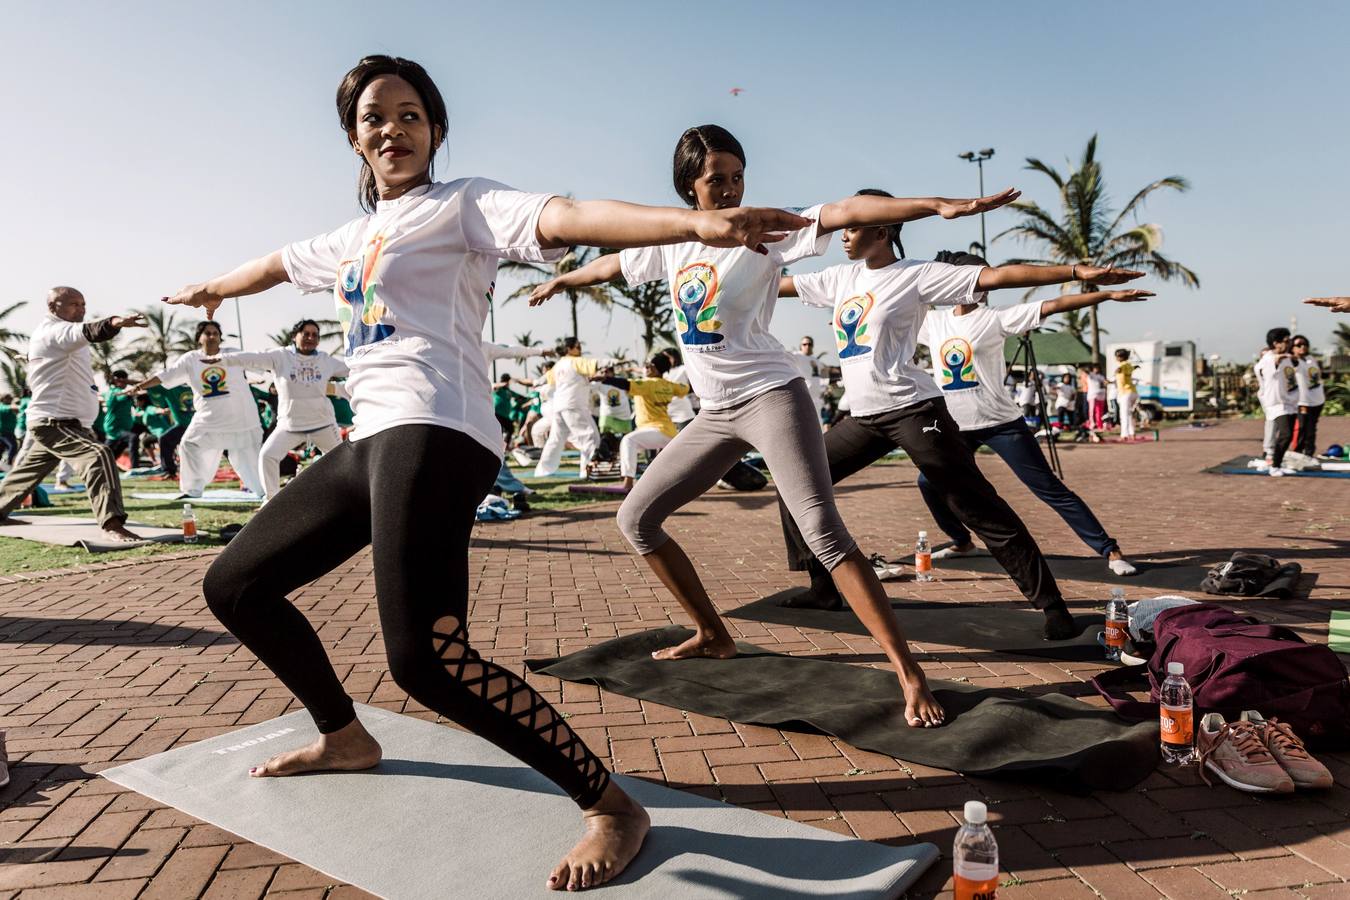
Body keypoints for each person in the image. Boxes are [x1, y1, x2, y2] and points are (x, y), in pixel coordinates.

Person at [161, 56, 817, 893]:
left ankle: (612, 805)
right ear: (352, 138)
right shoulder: (349, 237)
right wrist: (210, 289)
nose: (391, 129)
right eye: (373, 118)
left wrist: (688, 226)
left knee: (427, 660)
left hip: (440, 428)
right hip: (372, 438)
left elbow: (574, 215)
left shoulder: (465, 203)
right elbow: (276, 266)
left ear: (435, 130)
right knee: (237, 586)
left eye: (409, 115)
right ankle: (344, 734)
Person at [530, 123, 1019, 728]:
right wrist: (560, 279)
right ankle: (712, 633)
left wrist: (938, 205)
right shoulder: (672, 244)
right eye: (717, 181)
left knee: (822, 531)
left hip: (771, 396)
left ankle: (908, 672)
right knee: (636, 519)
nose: (732, 190)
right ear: (690, 186)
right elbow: (609, 268)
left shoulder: (766, 231)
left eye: (738, 178)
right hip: (715, 412)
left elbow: (843, 210)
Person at [773, 216, 1145, 630]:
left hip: (913, 411)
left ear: (882, 232)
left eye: (853, 227)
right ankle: (822, 587)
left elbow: (1001, 276)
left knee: (974, 504)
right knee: (795, 482)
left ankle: (1052, 606)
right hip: (863, 416)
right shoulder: (840, 278)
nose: (841, 234)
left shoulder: (917, 274)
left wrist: (1076, 273)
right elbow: (775, 286)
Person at [916, 251, 1147, 577]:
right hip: (956, 427)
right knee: (927, 481)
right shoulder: (932, 323)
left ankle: (1110, 551)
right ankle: (961, 541)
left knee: (1049, 489)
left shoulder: (995, 317)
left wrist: (1106, 294)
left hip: (1000, 423)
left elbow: (1052, 305)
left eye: (986, 278)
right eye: (977, 278)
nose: (985, 285)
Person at [0, 287, 146, 541]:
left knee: (26, 472)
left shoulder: (57, 336)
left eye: (83, 304)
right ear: (54, 306)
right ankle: (112, 524)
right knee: (98, 454)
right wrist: (116, 322)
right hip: (54, 422)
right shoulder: (56, 331)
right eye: (74, 305)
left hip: (60, 422)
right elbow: (92, 330)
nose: (81, 309)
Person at [204, 320, 351, 501]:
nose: (310, 338)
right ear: (294, 336)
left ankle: (348, 499)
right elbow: (252, 357)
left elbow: (352, 370)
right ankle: (271, 500)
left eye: (315, 335)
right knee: (267, 456)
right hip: (290, 425)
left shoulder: (325, 360)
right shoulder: (281, 356)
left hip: (323, 424)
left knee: (344, 461)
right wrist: (223, 359)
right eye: (306, 334)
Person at [127, 320, 266, 498]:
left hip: (240, 417)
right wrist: (139, 386)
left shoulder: (232, 354)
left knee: (247, 455)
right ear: (199, 338)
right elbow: (165, 375)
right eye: (208, 333)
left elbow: (258, 360)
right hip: (209, 418)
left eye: (215, 333)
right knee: (188, 445)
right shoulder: (191, 359)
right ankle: (192, 490)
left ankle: (264, 492)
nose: (212, 336)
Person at [591, 353, 691, 492]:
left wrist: (606, 379)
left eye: (648, 365)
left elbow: (625, 384)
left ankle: (628, 483)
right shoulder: (670, 385)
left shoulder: (647, 384)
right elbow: (687, 389)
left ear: (655, 369)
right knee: (639, 451)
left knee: (628, 441)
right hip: (669, 433)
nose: (645, 367)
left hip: (655, 430)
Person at [533, 338, 615, 480]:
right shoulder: (575, 361)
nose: (580, 349)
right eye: (578, 346)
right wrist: (615, 362)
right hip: (574, 405)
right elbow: (595, 363)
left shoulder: (558, 365)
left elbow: (545, 380)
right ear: (570, 349)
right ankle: (589, 472)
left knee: (555, 440)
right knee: (590, 437)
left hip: (560, 406)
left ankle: (542, 471)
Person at [1253, 327, 1299, 476]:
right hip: (1276, 404)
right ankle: (1273, 466)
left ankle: (1277, 463)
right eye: (1286, 341)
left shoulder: (1287, 359)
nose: (1289, 343)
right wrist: (1278, 359)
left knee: (1288, 436)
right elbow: (1264, 367)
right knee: (1285, 434)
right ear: (1276, 343)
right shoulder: (1268, 359)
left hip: (1290, 402)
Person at [1291, 335, 1324, 457]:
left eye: (1304, 344)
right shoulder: (1293, 361)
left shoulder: (1310, 359)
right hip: (1303, 401)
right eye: (1298, 345)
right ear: (1292, 348)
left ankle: (1309, 454)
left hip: (1317, 400)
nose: (1302, 347)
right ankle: (1298, 453)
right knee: (1303, 428)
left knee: (1311, 429)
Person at [102, 370, 141, 469]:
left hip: (124, 428)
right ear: (116, 380)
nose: (125, 382)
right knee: (133, 437)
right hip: (115, 428)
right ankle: (135, 468)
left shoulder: (124, 392)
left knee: (107, 453)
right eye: (123, 380)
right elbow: (123, 394)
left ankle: (105, 467)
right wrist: (132, 385)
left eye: (126, 379)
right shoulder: (113, 392)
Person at [660, 347, 698, 430]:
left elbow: (696, 383)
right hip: (667, 414)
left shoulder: (683, 369)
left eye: (667, 358)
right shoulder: (663, 373)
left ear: (675, 357)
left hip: (683, 413)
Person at [1113, 348, 1139, 439]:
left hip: (1125, 393)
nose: (1116, 358)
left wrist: (1118, 369)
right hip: (1133, 392)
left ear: (1120, 357)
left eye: (1116, 356)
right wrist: (1136, 367)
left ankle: (1124, 435)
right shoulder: (1129, 365)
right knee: (1128, 414)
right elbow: (1131, 369)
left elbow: (1121, 368)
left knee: (1123, 415)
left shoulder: (1122, 365)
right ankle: (1132, 433)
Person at [1085, 363, 1108, 430]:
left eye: (1098, 368)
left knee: (1099, 411)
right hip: (1092, 395)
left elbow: (1105, 383)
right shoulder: (1091, 375)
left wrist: (1105, 383)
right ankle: (1092, 424)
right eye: (1095, 368)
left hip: (1101, 396)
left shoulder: (1101, 376)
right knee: (1092, 411)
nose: (1096, 369)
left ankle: (1099, 425)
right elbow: (1086, 371)